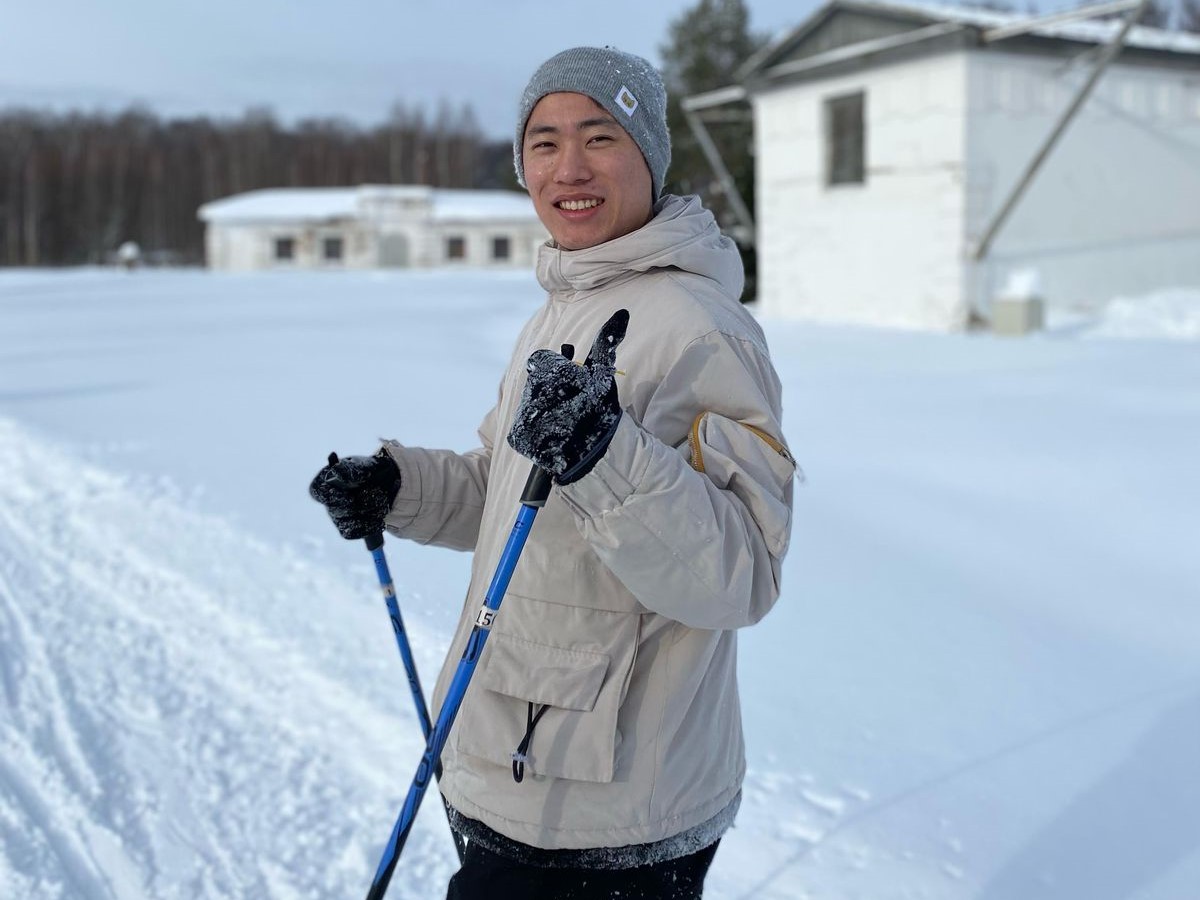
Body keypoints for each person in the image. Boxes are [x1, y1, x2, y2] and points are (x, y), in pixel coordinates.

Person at [310, 46, 796, 900]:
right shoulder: (561, 307)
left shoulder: (701, 328)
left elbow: (740, 575)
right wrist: (399, 488)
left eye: (599, 137)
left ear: (647, 153)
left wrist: (605, 453)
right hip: (510, 762)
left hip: (610, 813)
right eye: (543, 142)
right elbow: (506, 486)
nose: (568, 168)